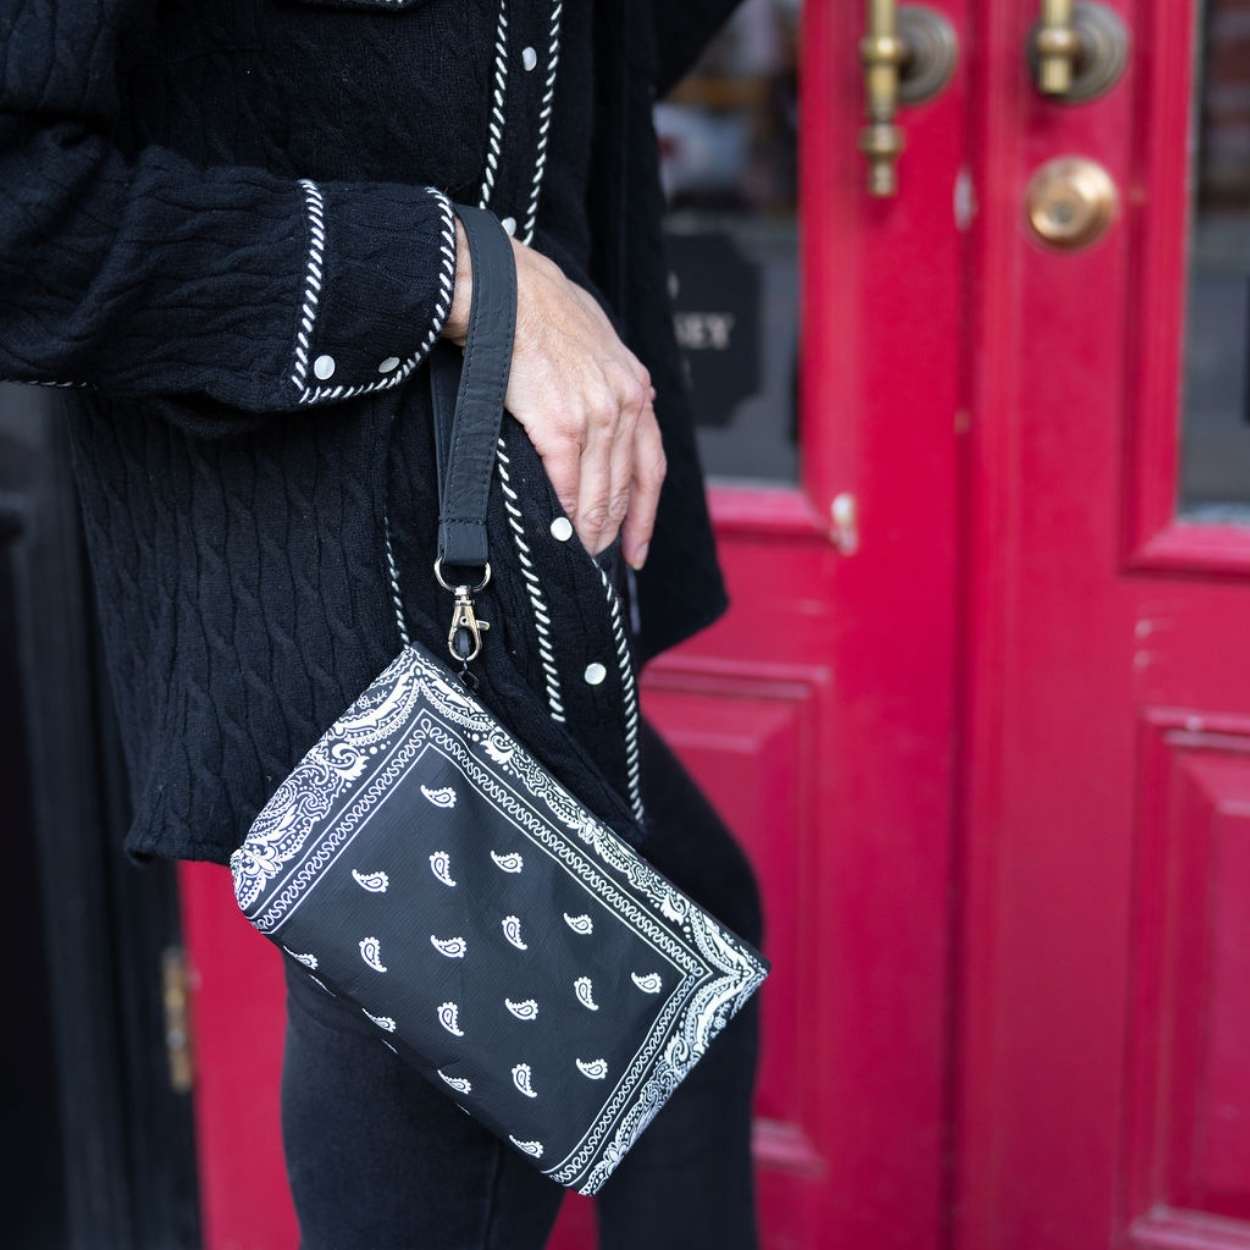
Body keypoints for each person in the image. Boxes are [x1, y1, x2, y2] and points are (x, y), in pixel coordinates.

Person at [0, 1, 766, 1246]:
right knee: (440, 1161)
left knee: (696, 947)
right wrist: (453, 269)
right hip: (342, 552)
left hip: (517, 544)